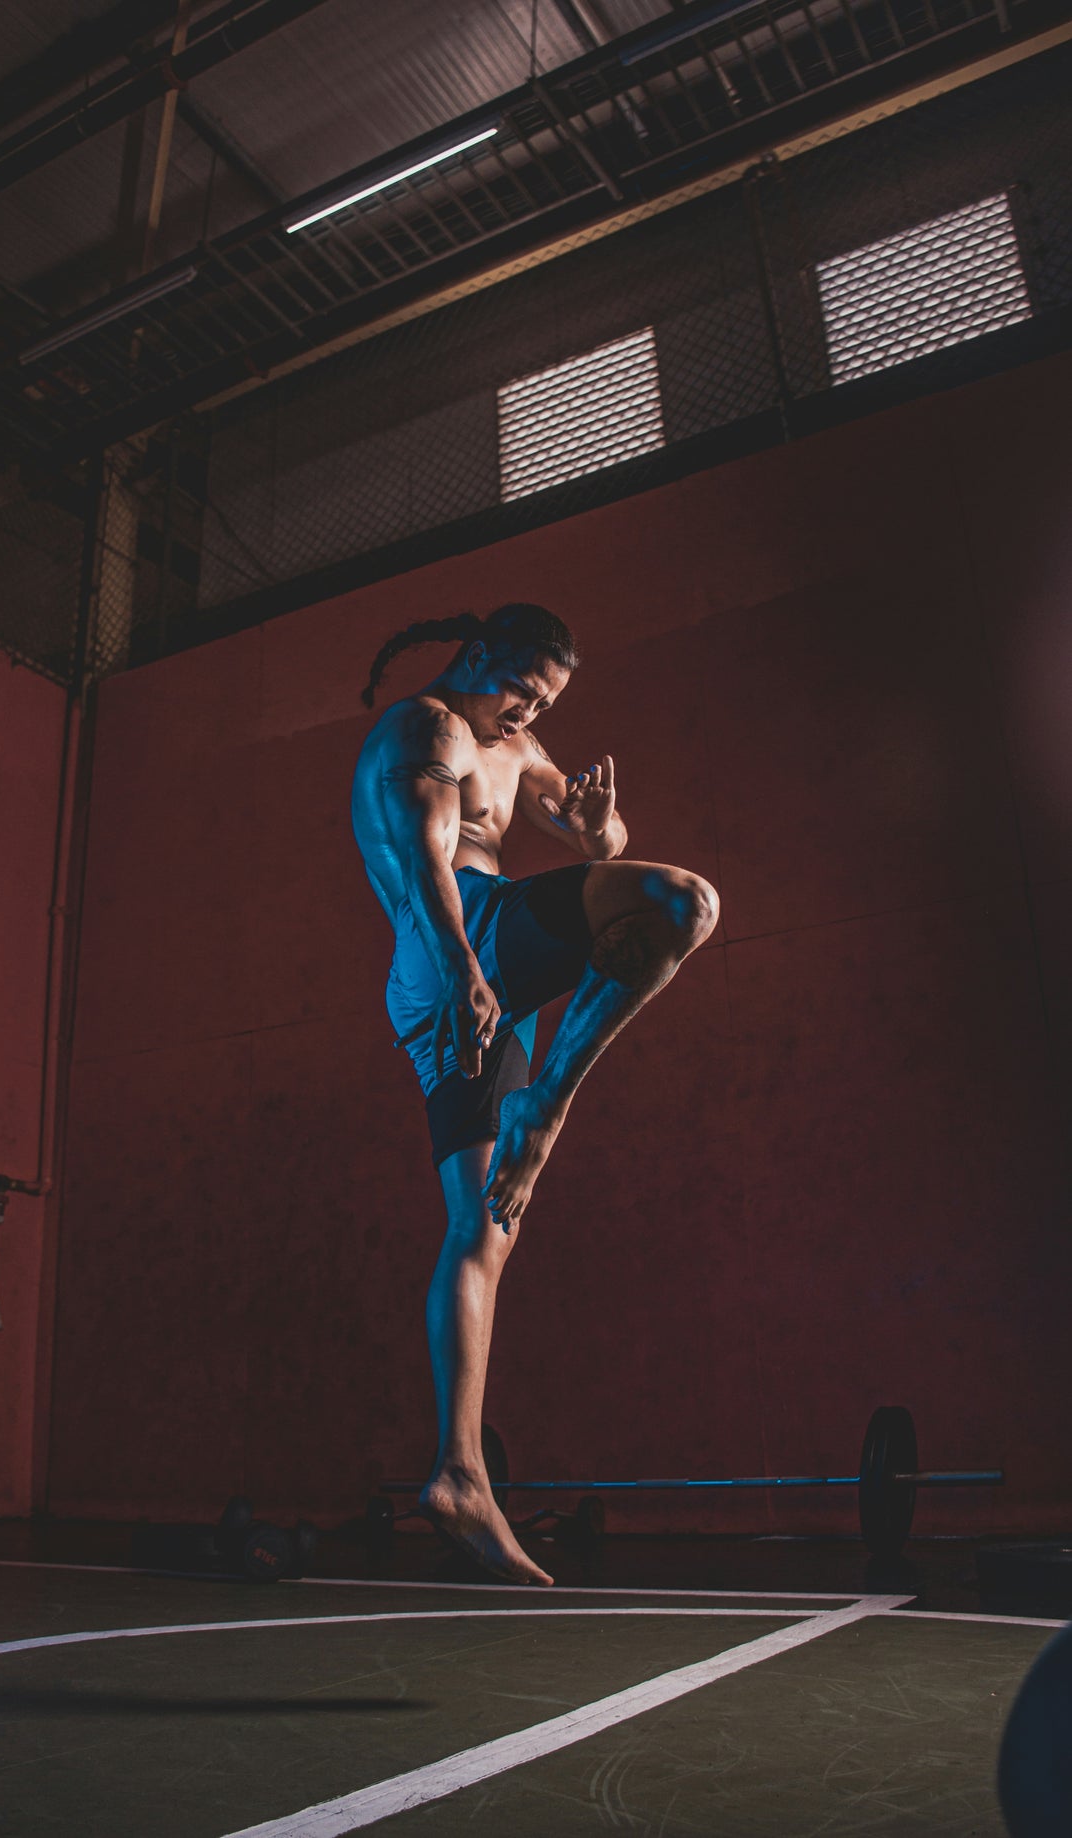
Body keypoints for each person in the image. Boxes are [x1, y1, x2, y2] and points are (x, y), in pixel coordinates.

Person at [351, 603, 719, 1585]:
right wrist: (467, 970)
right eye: (521, 689)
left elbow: (596, 838)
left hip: (481, 962)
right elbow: (428, 860)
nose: (528, 711)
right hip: (455, 943)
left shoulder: (515, 741)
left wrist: (602, 831)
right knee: (681, 901)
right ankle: (546, 1099)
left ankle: (460, 1472)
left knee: (485, 1222)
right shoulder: (425, 729)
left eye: (546, 700)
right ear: (478, 657)